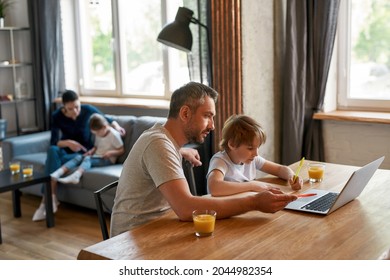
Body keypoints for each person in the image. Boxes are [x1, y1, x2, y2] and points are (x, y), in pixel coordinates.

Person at [110, 82, 298, 237]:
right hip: (135, 239)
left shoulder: (164, 141)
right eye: (207, 116)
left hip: (163, 226)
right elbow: (186, 208)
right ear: (185, 113)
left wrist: (181, 151)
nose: (213, 126)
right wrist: (254, 202)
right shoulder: (158, 145)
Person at [32, 90, 126, 221]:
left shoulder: (87, 110)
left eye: (77, 107)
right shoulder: (57, 116)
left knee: (53, 163)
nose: (75, 111)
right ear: (63, 107)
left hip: (83, 154)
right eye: (70, 109)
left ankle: (46, 201)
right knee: (52, 150)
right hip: (67, 153)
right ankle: (51, 196)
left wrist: (116, 126)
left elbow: (107, 120)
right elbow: (54, 142)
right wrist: (68, 143)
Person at [207, 114, 303, 197]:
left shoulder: (252, 159)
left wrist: (292, 176)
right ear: (232, 144)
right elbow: (215, 187)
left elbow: (280, 169)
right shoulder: (220, 161)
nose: (256, 153)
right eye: (250, 148)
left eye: (257, 147)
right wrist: (252, 185)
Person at [50, 113, 125, 184]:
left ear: (105, 127)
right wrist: (91, 152)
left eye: (98, 133)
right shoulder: (99, 133)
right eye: (95, 133)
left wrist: (110, 153)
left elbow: (121, 150)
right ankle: (58, 172)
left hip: (108, 159)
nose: (97, 135)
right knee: (80, 157)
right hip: (98, 156)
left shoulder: (114, 135)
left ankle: (76, 176)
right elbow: (96, 146)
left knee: (87, 159)